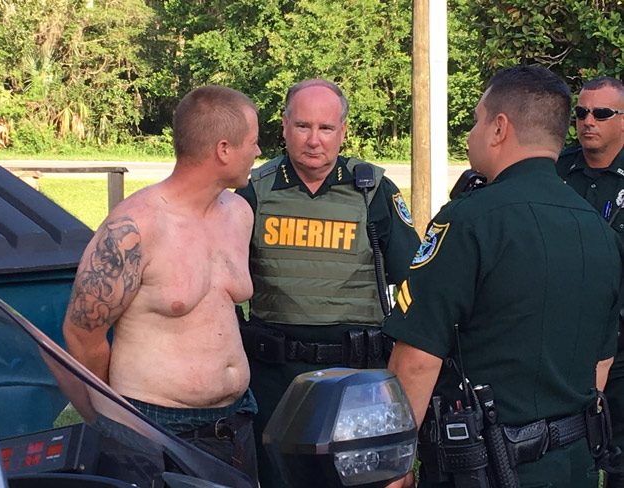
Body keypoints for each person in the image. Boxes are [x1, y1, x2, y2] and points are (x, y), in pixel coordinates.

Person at [384, 65, 623, 488]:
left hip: (485, 466)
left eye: (476, 120)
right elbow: (599, 368)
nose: (471, 133)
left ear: (499, 128)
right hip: (573, 465)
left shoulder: (468, 221)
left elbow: (417, 358)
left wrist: (395, 465)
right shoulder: (602, 232)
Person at [62, 85, 261, 486]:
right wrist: (117, 418)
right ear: (224, 149)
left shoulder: (238, 213)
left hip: (237, 422)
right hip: (156, 429)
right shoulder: (133, 228)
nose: (258, 153)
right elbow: (82, 333)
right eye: (254, 143)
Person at [235, 78, 421, 487]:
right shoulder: (254, 192)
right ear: (283, 127)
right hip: (276, 376)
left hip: (357, 373)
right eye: (302, 126)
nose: (314, 140)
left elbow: (412, 280)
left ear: (343, 131)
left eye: (326, 128)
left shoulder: (372, 190)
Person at [556, 76, 624, 487]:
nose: (588, 122)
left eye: (601, 113)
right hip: (563, 340)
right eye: (581, 113)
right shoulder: (557, 169)